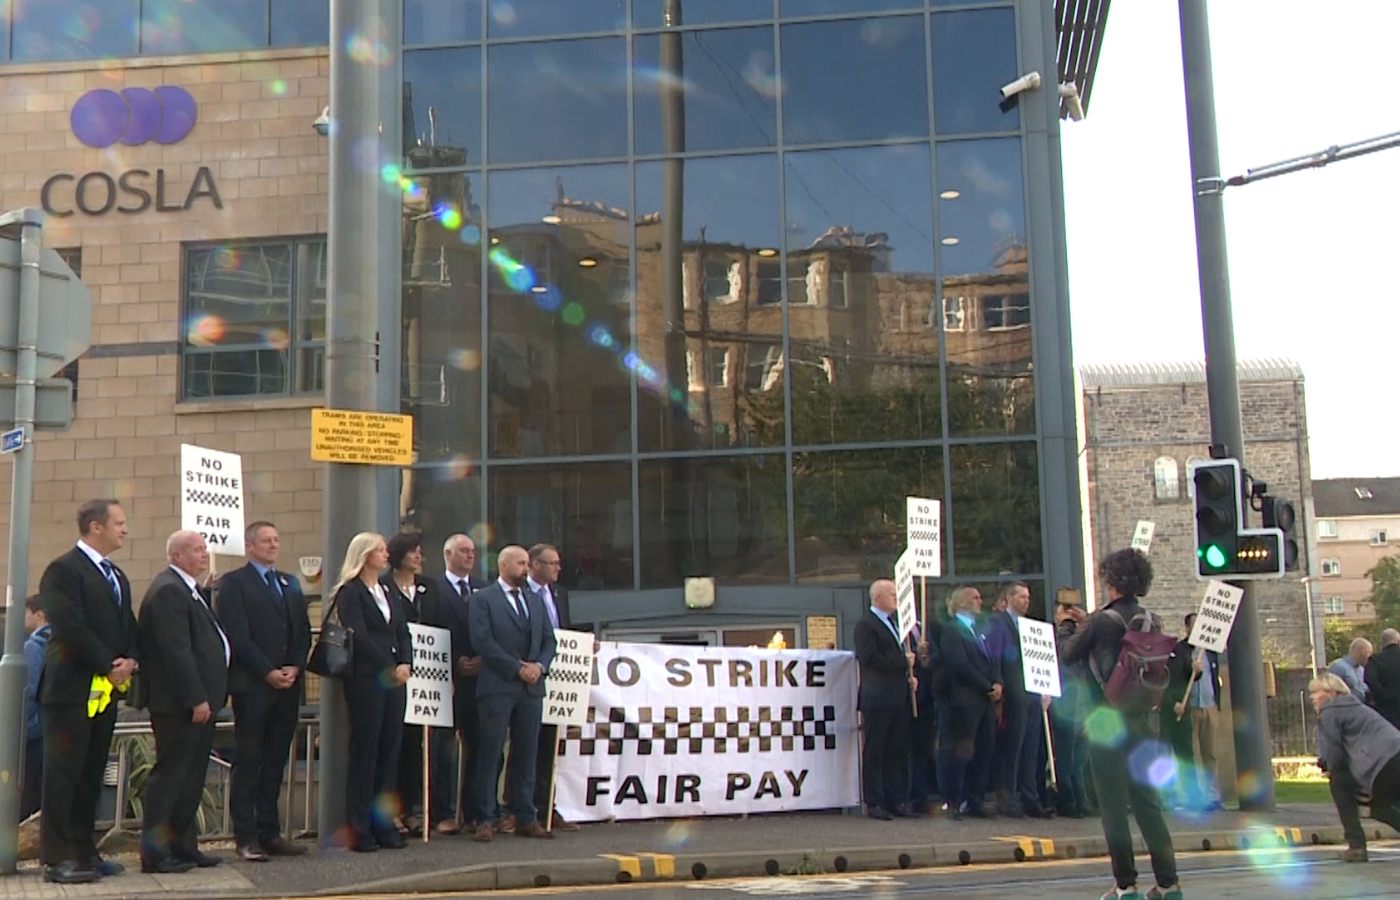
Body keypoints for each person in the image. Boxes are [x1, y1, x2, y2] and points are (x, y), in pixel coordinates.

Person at [1059, 549, 1180, 900]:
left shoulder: (1100, 620)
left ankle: (1126, 885)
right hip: (1142, 722)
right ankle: (1169, 884)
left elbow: (1069, 654)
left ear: (1110, 581)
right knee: (1147, 804)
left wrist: (1068, 624)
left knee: (1113, 806)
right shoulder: (1150, 619)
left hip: (1107, 724)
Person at [38, 499, 140, 885]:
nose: (125, 530)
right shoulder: (63, 571)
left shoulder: (116, 575)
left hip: (105, 693)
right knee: (63, 774)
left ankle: (84, 850)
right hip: (70, 691)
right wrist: (108, 664)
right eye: (119, 523)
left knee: (90, 772)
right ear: (96, 527)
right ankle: (56, 858)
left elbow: (127, 625)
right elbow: (69, 625)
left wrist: (130, 659)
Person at [214, 520, 311, 861]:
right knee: (250, 759)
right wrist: (267, 671)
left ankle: (270, 831)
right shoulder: (234, 584)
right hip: (253, 686)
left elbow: (302, 630)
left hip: (287, 686)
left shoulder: (289, 583)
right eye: (266, 540)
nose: (273, 545)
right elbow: (237, 635)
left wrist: (295, 666)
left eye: (276, 539)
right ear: (250, 545)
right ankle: (246, 835)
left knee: (275, 761)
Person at [136, 531, 230, 874]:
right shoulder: (168, 592)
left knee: (190, 779)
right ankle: (156, 853)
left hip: (200, 703)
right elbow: (177, 652)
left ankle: (183, 845)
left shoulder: (190, 590)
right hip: (179, 705)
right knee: (171, 778)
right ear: (176, 555)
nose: (204, 554)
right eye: (196, 549)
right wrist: (196, 697)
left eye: (205, 548)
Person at [332, 532, 413, 853]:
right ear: (364, 555)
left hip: (395, 678)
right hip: (368, 678)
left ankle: (384, 824)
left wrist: (405, 661)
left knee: (389, 750)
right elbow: (360, 636)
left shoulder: (388, 589)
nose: (385, 555)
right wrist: (387, 665)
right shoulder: (350, 593)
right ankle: (359, 826)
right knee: (366, 751)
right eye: (379, 550)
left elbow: (402, 629)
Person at [469, 545, 557, 842]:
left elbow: (549, 639)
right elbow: (483, 640)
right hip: (498, 685)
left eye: (527, 563)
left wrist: (540, 666)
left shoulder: (534, 600)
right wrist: (515, 667)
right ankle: (484, 816)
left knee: (527, 751)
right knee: (491, 752)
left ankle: (525, 814)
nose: (526, 568)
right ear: (504, 565)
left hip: (530, 688)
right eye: (521, 563)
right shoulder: (483, 599)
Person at [381, 531, 454, 836]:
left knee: (418, 746)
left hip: (428, 677)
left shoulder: (430, 588)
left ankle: (413, 809)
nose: (420, 557)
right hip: (395, 675)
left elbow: (442, 625)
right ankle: (393, 811)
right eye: (414, 552)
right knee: (395, 745)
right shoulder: (384, 587)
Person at [518, 543, 581, 832]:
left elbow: (563, 632)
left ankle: (547, 806)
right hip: (526, 678)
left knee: (549, 746)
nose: (558, 568)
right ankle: (521, 807)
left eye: (559, 562)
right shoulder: (523, 593)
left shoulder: (559, 594)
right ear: (534, 565)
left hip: (557, 678)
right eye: (552, 563)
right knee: (527, 746)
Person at [1312, 671, 1400, 862]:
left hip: (1382, 762)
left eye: (1316, 692)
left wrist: (1331, 770)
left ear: (1332, 693)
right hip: (1395, 753)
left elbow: (1335, 751)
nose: (1312, 697)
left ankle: (1356, 845)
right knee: (1385, 805)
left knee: (1341, 785)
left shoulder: (1331, 710)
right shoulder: (1354, 705)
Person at [853, 579, 916, 820]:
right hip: (878, 697)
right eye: (891, 593)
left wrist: (907, 676)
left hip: (897, 696)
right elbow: (869, 658)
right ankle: (875, 801)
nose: (896, 598)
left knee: (896, 750)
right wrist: (902, 663)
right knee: (876, 750)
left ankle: (895, 799)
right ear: (877, 597)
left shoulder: (895, 624)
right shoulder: (866, 625)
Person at [987, 581, 1050, 818]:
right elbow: (996, 656)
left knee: (1031, 749)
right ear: (1009, 598)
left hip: (1032, 694)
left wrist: (1046, 688)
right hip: (1014, 694)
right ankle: (1009, 798)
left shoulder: (1030, 626)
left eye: (1028, 597)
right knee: (1012, 748)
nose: (1026, 601)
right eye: (1022, 597)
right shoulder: (998, 622)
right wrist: (998, 681)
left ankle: (1030, 797)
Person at [437, 533, 485, 829]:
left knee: (479, 746)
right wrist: (456, 662)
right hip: (448, 680)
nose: (470, 556)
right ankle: (442, 811)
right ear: (448, 554)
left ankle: (474, 810)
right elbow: (431, 630)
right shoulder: (434, 589)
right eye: (463, 551)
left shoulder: (484, 589)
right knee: (443, 750)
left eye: (472, 551)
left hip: (480, 680)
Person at [940, 586, 1000, 819]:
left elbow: (994, 659)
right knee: (961, 751)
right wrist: (986, 686)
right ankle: (954, 800)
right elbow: (959, 664)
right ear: (962, 603)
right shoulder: (952, 630)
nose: (980, 601)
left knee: (985, 750)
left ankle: (976, 800)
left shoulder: (980, 630)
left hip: (986, 701)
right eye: (975, 598)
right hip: (966, 700)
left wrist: (997, 683)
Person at [1166, 614, 1222, 811]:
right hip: (1189, 708)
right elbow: (1178, 677)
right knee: (1190, 754)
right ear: (1187, 628)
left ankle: (1212, 796)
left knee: (1210, 753)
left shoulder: (1210, 652)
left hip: (1209, 706)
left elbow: (1215, 679)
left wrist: (1217, 705)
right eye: (1195, 625)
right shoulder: (1180, 650)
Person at [1051, 593, 1093, 818]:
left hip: (1082, 703)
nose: (1067, 617)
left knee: (1078, 759)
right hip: (1066, 703)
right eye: (1063, 611)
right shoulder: (1055, 637)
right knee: (1067, 758)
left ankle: (1081, 800)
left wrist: (1084, 623)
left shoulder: (1084, 637)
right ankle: (1069, 801)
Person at [20, 595, 50, 821]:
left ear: (39, 615)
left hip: (33, 727)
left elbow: (28, 689)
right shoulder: (61, 642)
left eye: (26, 613)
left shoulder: (33, 645)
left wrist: (22, 724)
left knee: (28, 784)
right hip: (52, 723)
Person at [1364, 629, 1400, 730]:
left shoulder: (1374, 661)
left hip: (1385, 711)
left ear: (1383, 643)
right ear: (1398, 642)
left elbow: (1369, 680)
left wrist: (1384, 695)